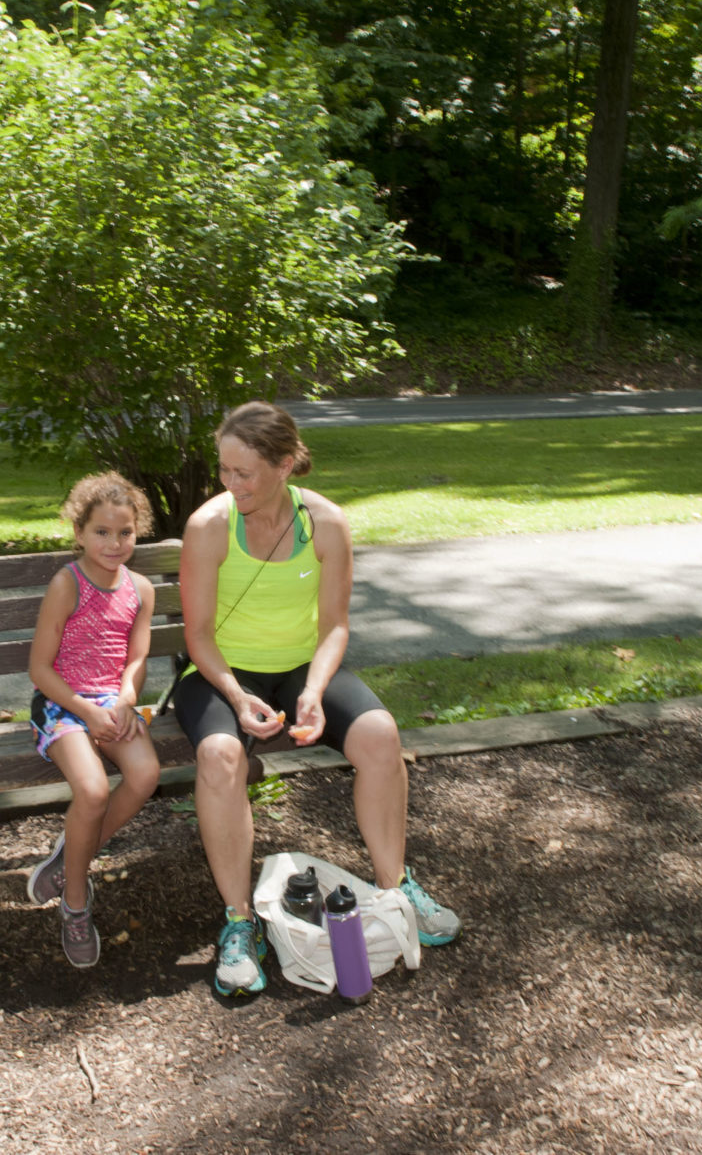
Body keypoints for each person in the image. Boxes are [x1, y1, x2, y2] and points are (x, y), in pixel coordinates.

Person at [175, 400, 460, 997]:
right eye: (224, 470)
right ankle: (238, 922)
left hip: (301, 670)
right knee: (221, 757)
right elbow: (197, 636)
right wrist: (236, 694)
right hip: (221, 673)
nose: (231, 484)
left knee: (381, 735)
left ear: (284, 465)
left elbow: (333, 626)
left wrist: (314, 689)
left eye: (244, 473)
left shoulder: (325, 523)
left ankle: (395, 889)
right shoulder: (209, 527)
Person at [24, 472, 162, 968]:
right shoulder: (67, 584)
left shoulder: (140, 589)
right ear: (79, 532)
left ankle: (70, 855)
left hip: (112, 701)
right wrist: (86, 711)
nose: (114, 542)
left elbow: (137, 658)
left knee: (146, 774)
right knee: (95, 791)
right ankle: (76, 899)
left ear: (136, 532)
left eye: (124, 532)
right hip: (63, 703)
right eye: (102, 532)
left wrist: (125, 699)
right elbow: (39, 668)